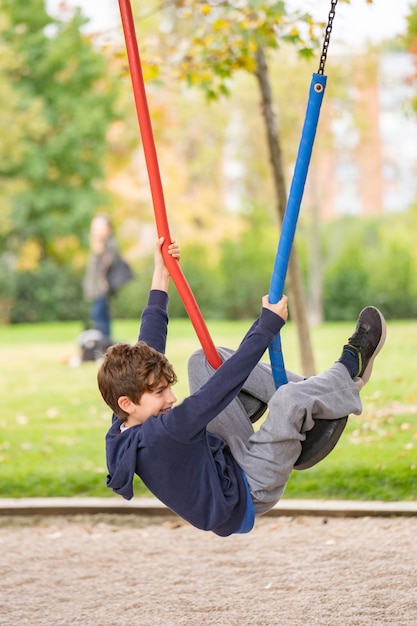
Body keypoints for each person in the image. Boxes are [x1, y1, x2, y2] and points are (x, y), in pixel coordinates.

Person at [98, 237, 386, 537]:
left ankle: (313, 402)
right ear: (127, 403)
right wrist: (267, 324)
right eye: (159, 393)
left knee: (205, 361)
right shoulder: (165, 430)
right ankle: (349, 371)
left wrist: (162, 273)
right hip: (249, 489)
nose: (171, 396)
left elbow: (151, 343)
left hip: (220, 459)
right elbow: (221, 386)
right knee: (285, 398)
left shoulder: (123, 423)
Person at [83, 214, 119, 341]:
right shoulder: (99, 245)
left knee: (100, 319)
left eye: (98, 228)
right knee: (99, 318)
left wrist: (99, 251)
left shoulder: (108, 245)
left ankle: (104, 346)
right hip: (96, 290)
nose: (94, 231)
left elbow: (104, 268)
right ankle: (104, 346)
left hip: (101, 290)